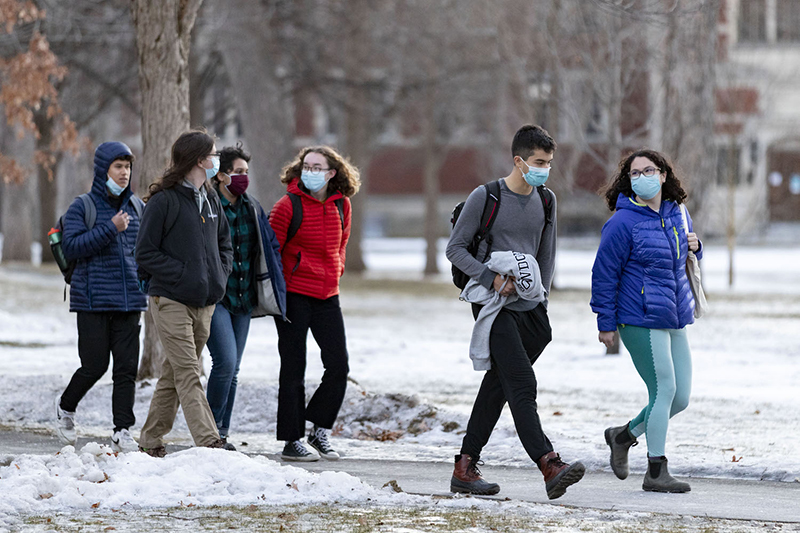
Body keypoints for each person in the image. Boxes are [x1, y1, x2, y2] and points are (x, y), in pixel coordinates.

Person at [446, 125, 585, 500]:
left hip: (531, 308)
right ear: (519, 160)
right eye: (539, 162)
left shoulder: (546, 200)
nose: (544, 170)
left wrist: (543, 301)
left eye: (549, 163)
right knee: (522, 383)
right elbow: (455, 249)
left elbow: (547, 255)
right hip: (494, 307)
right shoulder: (486, 196)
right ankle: (548, 463)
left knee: (499, 386)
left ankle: (465, 466)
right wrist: (490, 279)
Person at [591, 149, 701, 493]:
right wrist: (605, 323)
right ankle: (656, 471)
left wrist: (697, 247)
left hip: (673, 314)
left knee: (680, 397)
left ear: (664, 175)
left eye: (648, 170)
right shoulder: (622, 223)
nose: (642, 177)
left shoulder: (677, 214)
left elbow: (684, 258)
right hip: (638, 317)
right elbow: (604, 275)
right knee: (663, 389)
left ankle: (622, 437)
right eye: (635, 173)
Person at [134, 130, 233, 457]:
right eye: (213, 153)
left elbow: (224, 244)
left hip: (205, 302)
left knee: (174, 374)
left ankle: (150, 441)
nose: (217, 158)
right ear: (198, 159)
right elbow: (145, 253)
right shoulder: (164, 200)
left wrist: (218, 274)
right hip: (171, 300)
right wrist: (183, 274)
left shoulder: (212, 196)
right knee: (190, 371)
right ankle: (209, 441)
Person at [269, 145, 360, 462]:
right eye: (306, 165)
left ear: (332, 172)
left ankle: (319, 430)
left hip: (327, 295)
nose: (310, 171)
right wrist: (281, 291)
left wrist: (337, 271)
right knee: (293, 369)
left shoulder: (342, 205)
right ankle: (292, 440)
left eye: (317, 167)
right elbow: (270, 253)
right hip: (293, 296)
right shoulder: (287, 205)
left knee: (339, 366)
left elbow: (342, 244)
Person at [55, 141, 146, 453]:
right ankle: (65, 406)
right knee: (94, 366)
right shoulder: (83, 206)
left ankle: (122, 430)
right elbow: (73, 247)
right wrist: (111, 227)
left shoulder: (136, 207)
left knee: (126, 369)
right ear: (103, 169)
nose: (124, 173)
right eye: (118, 167)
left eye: (128, 167)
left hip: (129, 301)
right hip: (92, 299)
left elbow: (144, 252)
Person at [205, 143, 287, 451]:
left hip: (245, 298)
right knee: (224, 361)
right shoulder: (210, 206)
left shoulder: (252, 207)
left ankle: (221, 433)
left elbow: (269, 247)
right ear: (222, 175)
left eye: (246, 172)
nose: (243, 177)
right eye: (238, 172)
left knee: (234, 369)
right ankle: (209, 432)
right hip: (218, 297)